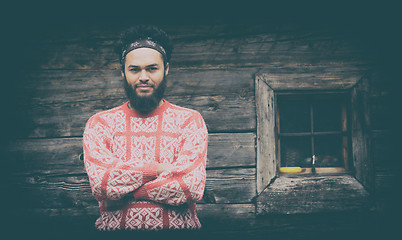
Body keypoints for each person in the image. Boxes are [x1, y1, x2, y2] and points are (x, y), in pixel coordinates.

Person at [82, 25, 208, 231]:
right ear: (122, 72)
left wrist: (125, 189)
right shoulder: (100, 124)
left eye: (152, 68)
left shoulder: (190, 121)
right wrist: (158, 169)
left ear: (166, 69)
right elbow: (102, 184)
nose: (143, 77)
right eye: (134, 69)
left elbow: (189, 186)